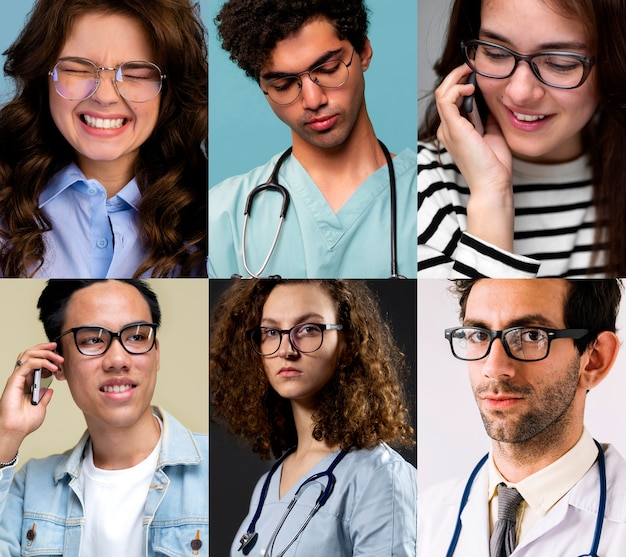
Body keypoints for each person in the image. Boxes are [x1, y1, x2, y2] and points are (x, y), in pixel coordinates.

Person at [209, 0, 417, 279]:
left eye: (329, 69)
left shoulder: (430, 192)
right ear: (263, 87)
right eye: (283, 85)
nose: (312, 100)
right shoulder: (222, 214)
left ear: (364, 52)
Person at [418, 0, 626, 277]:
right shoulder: (419, 189)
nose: (519, 92)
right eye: (495, 53)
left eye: (560, 63)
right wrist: (492, 198)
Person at [0, 0, 208, 277]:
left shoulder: (211, 215)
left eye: (136, 74)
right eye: (78, 69)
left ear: (169, 91)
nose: (105, 96)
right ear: (43, 75)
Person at [0, 279, 208, 556]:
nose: (118, 360)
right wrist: (6, 434)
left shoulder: (210, 470)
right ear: (57, 363)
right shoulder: (30, 487)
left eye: (136, 336)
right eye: (93, 340)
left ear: (156, 354)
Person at [419, 278, 626, 555]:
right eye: (479, 335)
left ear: (595, 358)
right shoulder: (422, 517)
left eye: (531, 336)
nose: (494, 368)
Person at [210, 279, 416, 555]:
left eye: (308, 329)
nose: (286, 350)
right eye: (271, 331)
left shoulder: (381, 476)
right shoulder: (268, 485)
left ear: (348, 342)